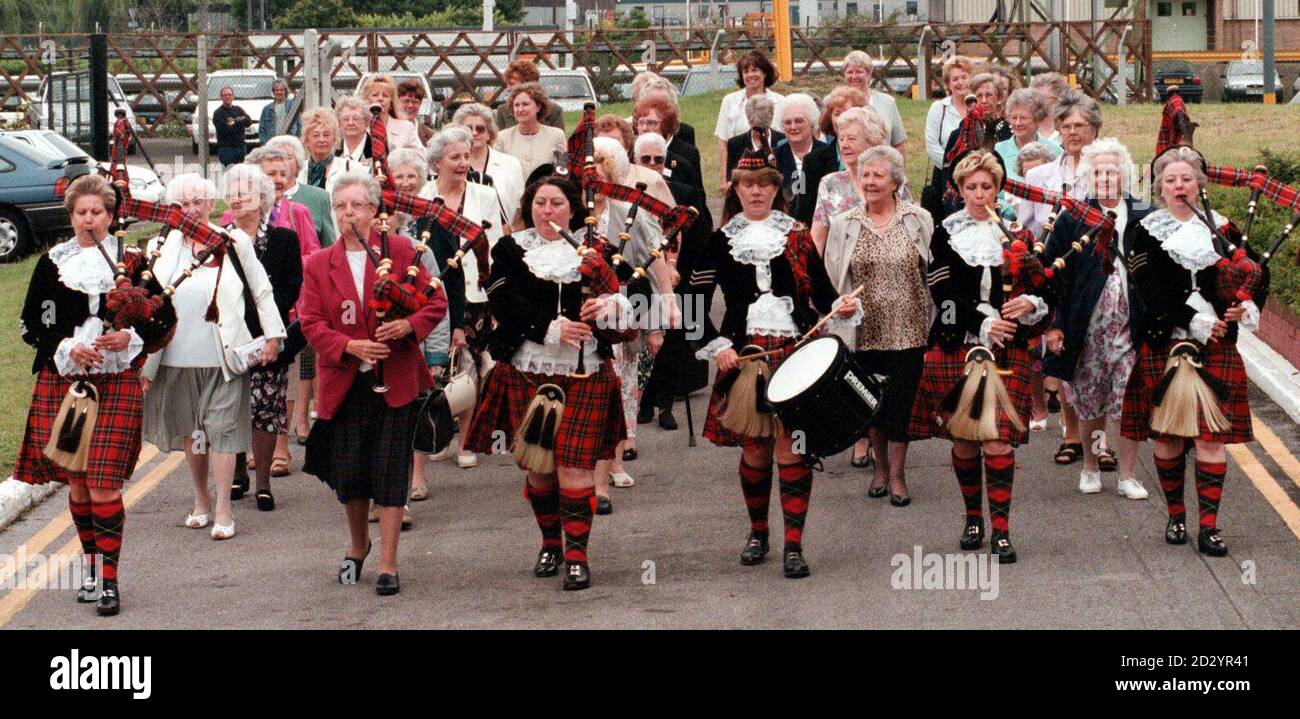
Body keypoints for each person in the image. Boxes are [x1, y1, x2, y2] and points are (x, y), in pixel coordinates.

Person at [687, 149, 859, 579]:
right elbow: (693, 307)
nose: (757, 190)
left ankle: (794, 545)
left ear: (776, 188)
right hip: (745, 357)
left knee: (793, 448)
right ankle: (758, 532)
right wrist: (718, 345)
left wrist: (839, 306)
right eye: (748, 184)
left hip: (797, 351)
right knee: (757, 451)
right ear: (736, 190)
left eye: (765, 183)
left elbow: (820, 291)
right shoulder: (721, 239)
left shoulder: (797, 235)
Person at [463, 174, 634, 591]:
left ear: (572, 209)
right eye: (540, 202)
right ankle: (549, 543)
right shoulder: (510, 249)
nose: (548, 211)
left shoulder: (597, 251)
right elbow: (504, 301)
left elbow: (629, 296)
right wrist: (551, 329)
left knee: (575, 468)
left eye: (556, 203)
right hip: (528, 367)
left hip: (586, 371)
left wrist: (609, 306)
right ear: (529, 206)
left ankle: (577, 557)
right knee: (539, 470)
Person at [16, 174, 176, 617]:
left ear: (111, 216)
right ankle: (89, 566)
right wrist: (67, 348)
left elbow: (165, 319)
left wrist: (130, 337)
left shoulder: (136, 261)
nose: (89, 220)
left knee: (104, 484)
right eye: (81, 213)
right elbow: (31, 325)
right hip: (64, 381)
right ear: (71, 216)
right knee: (80, 483)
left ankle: (109, 581)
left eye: (98, 213)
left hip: (116, 383)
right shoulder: (52, 263)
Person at [299, 171, 447, 595]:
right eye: (341, 206)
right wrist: (350, 346)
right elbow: (310, 322)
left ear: (374, 210)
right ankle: (357, 544)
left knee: (389, 472)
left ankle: (387, 562)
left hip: (396, 381)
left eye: (358, 205)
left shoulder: (402, 252)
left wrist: (406, 326)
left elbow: (435, 303)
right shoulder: (317, 264)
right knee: (352, 473)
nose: (349, 213)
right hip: (345, 383)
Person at [1120, 146, 1267, 557]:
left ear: (1199, 184)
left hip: (1216, 346)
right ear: (1160, 188)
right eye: (1170, 180)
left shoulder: (1224, 229)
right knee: (1167, 438)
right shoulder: (1145, 231)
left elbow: (1254, 273)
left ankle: (1209, 527)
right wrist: (1195, 317)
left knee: (1210, 440)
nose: (1179, 186)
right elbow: (1149, 287)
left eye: (1186, 179)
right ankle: (1176, 515)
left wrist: (1244, 305)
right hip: (1165, 341)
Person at [908, 150, 1049, 564]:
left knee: (998, 441)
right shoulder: (945, 234)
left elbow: (1042, 284)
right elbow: (942, 294)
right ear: (959, 189)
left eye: (987, 186)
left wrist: (1029, 303)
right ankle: (973, 519)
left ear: (998, 188)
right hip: (959, 342)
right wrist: (983, 324)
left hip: (1010, 347)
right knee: (967, 440)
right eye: (971, 187)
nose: (979, 194)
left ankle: (1001, 531)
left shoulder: (1017, 234)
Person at [142, 173, 286, 542]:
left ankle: (223, 507)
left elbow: (261, 290)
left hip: (224, 356)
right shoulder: (160, 245)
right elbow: (146, 301)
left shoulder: (232, 241)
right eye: (183, 203)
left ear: (210, 205)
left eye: (198, 202)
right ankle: (201, 497)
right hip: (176, 356)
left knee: (222, 430)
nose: (191, 209)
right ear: (174, 209)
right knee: (194, 435)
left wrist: (273, 336)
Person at [823, 145, 933, 505]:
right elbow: (834, 277)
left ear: (895, 182)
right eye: (865, 175)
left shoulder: (918, 219)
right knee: (871, 404)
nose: (870, 182)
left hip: (909, 327)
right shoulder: (845, 224)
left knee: (900, 405)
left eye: (878, 176)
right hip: (864, 329)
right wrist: (841, 304)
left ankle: (898, 476)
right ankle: (880, 469)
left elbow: (931, 273)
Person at [1042, 138, 1149, 499]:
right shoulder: (1073, 216)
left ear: (1124, 175)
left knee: (1128, 400)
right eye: (1099, 172)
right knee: (1088, 400)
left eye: (1112, 171)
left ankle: (1128, 474)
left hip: (1130, 326)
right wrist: (1054, 323)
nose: (1105, 178)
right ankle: (1090, 464)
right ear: (1089, 177)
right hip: (1084, 325)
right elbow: (1053, 274)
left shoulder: (1143, 214)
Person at [1018, 89, 1102, 466]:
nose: (1073, 132)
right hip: (1053, 273)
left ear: (1095, 130)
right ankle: (1070, 434)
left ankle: (1099, 442)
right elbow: (1024, 227)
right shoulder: (1039, 175)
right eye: (1067, 125)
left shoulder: (1108, 169)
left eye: (1081, 125)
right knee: (1062, 350)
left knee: (1098, 360)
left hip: (1096, 274)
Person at [420, 126, 506, 470]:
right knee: (439, 367)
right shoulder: (424, 195)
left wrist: (499, 295)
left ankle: (466, 440)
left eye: (466, 156)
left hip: (477, 290)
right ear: (437, 161)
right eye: (454, 157)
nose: (462, 163)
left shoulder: (485, 194)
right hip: (434, 293)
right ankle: (440, 432)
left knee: (469, 367)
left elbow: (498, 244)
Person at [219, 163, 302, 510]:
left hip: (269, 338)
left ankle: (264, 482)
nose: (237, 199)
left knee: (267, 409)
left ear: (262, 198)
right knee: (233, 407)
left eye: (245, 192)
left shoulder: (284, 239)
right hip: (230, 338)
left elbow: (291, 287)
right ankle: (238, 474)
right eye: (232, 193)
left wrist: (264, 326)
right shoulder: (219, 240)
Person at [633, 131, 714, 433]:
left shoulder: (684, 191)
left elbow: (699, 232)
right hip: (642, 277)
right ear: (635, 160)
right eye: (646, 159)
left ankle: (667, 404)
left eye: (658, 159)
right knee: (645, 338)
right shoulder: (630, 191)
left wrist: (681, 268)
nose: (653, 164)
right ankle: (645, 401)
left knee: (676, 342)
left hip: (680, 276)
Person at [810, 106, 895, 255]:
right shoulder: (830, 183)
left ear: (871, 142)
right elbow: (817, 239)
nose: (844, 145)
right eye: (841, 139)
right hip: (841, 273)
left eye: (851, 139)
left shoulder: (893, 180)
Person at [791, 86, 868, 225]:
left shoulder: (877, 157)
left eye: (848, 112)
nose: (842, 119)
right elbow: (803, 213)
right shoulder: (812, 161)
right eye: (837, 113)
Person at [715, 50, 785, 194]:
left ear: (765, 73)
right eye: (745, 71)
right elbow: (723, 142)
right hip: (740, 172)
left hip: (773, 172)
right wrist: (724, 179)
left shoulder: (781, 102)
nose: (750, 75)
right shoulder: (729, 101)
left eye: (755, 70)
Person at [453, 102, 526, 227]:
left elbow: (519, 208)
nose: (474, 133)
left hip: (503, 235)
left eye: (480, 129)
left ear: (489, 133)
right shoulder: (451, 165)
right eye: (468, 129)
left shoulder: (511, 164)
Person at [922, 56, 974, 220]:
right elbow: (931, 145)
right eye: (955, 79)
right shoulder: (939, 108)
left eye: (964, 77)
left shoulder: (978, 107)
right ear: (948, 84)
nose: (960, 83)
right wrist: (952, 167)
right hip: (945, 176)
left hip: (976, 174)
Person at [267, 135, 336, 248]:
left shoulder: (319, 198)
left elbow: (329, 248)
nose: (282, 163)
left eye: (288, 157)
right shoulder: (260, 199)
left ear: (298, 163)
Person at [594, 114, 677, 208]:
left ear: (627, 146)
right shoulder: (588, 177)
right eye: (601, 142)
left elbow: (670, 217)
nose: (608, 148)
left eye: (614, 142)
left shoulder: (651, 178)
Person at [840, 50, 908, 159]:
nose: (854, 76)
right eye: (849, 72)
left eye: (859, 72)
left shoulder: (888, 103)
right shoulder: (837, 104)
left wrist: (900, 174)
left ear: (869, 74)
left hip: (882, 168)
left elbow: (899, 143)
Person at [494, 82, 568, 182]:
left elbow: (563, 171)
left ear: (538, 107)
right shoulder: (502, 137)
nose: (520, 109)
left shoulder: (557, 135)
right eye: (516, 105)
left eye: (525, 104)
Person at [634, 91, 703, 193]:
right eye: (641, 123)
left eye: (652, 123)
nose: (644, 128)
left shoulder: (682, 163)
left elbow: (697, 198)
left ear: (666, 126)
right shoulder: (629, 157)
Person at [995, 89, 1062, 182]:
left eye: (1023, 118)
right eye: (1014, 118)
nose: (1017, 123)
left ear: (1038, 120)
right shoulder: (998, 151)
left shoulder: (1055, 151)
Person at [773, 92, 827, 202]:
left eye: (799, 121)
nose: (793, 127)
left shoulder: (827, 154)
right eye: (788, 122)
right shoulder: (774, 157)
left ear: (811, 122)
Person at [724, 95, 785, 182]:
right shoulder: (735, 144)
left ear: (771, 118)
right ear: (749, 121)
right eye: (756, 128)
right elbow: (731, 179)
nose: (760, 132)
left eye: (764, 127)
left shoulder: (783, 141)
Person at [356, 74, 423, 153]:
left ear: (391, 101)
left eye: (385, 95)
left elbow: (420, 157)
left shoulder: (406, 128)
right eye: (375, 95)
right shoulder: (358, 128)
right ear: (366, 100)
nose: (380, 99)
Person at [494, 59, 565, 131]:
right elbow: (498, 140)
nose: (508, 89)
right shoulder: (503, 111)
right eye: (507, 84)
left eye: (512, 84)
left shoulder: (554, 111)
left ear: (527, 84)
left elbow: (558, 140)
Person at [326, 97, 372, 192]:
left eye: (356, 118)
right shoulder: (330, 153)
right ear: (338, 123)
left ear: (367, 122)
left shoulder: (377, 151)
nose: (350, 123)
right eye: (345, 119)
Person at [300, 107, 340, 190]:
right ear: (306, 140)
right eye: (316, 135)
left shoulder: (348, 168)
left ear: (335, 139)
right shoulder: (298, 170)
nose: (321, 140)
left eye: (326, 135)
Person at [213, 85, 253, 166]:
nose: (227, 97)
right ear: (221, 97)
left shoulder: (238, 109)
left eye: (230, 94)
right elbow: (223, 129)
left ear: (233, 96)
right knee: (228, 173)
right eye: (225, 95)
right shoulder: (218, 113)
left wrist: (233, 122)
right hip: (226, 149)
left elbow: (248, 122)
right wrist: (239, 120)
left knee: (241, 173)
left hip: (241, 147)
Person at [1029, 72, 1069, 141]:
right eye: (1033, 98)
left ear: (1058, 99)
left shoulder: (1070, 131)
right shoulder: (1025, 131)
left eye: (1042, 98)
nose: (1036, 102)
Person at [258, 79, 299, 146]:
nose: (279, 92)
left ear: (285, 91)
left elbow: (299, 125)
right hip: (273, 142)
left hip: (289, 142)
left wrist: (297, 141)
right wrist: (264, 144)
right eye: (277, 90)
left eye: (281, 90)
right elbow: (262, 129)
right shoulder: (267, 109)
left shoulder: (292, 105)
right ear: (273, 92)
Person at [397, 78, 436, 146]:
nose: (410, 106)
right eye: (406, 101)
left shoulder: (431, 136)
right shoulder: (386, 131)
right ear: (396, 102)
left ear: (420, 104)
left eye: (415, 102)